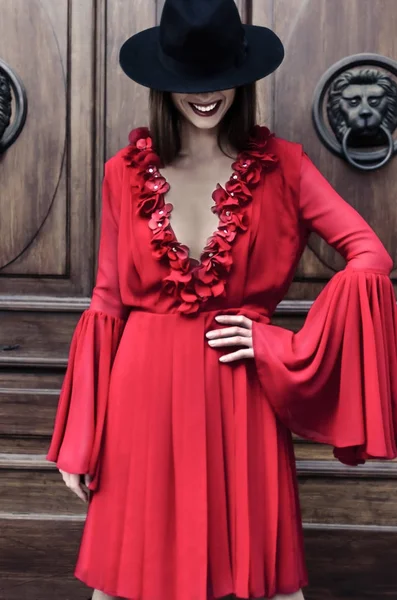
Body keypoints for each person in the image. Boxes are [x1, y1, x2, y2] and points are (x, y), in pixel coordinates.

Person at [46, 1, 397, 599]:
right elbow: (106, 302)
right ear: (163, 82)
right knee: (120, 586)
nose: (207, 96)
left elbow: (371, 259)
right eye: (191, 82)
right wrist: (80, 433)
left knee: (269, 583)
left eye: (221, 80)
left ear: (244, 77)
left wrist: (283, 344)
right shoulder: (120, 175)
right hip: (139, 400)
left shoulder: (284, 167)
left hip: (241, 392)